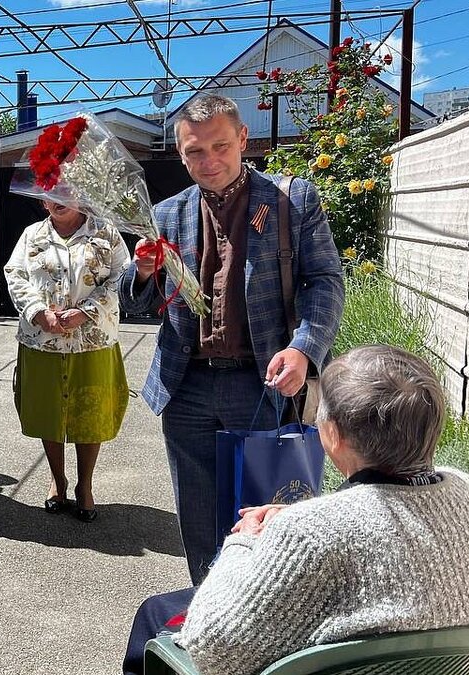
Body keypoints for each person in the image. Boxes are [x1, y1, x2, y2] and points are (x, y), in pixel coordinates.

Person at [121, 345, 469, 675]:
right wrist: (305, 517)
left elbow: (213, 648)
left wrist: (241, 545)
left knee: (155, 613)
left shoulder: (309, 533)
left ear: (332, 434)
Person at [119, 94, 344, 583]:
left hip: (261, 384)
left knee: (268, 519)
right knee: (198, 521)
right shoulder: (165, 215)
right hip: (187, 388)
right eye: (195, 152)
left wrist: (305, 348)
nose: (209, 161)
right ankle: (208, 609)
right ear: (180, 153)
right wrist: (139, 272)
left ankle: (265, 614)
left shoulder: (291, 200)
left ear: (243, 139)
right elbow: (132, 303)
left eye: (220, 146)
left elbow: (325, 281)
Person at [4, 200, 131, 522]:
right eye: (49, 192)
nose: (57, 200)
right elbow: (15, 274)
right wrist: (37, 312)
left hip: (92, 340)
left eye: (65, 190)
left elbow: (122, 278)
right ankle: (57, 480)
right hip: (42, 339)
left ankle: (84, 484)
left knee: (91, 411)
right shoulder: (33, 235)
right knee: (49, 411)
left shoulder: (105, 233)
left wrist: (85, 311)